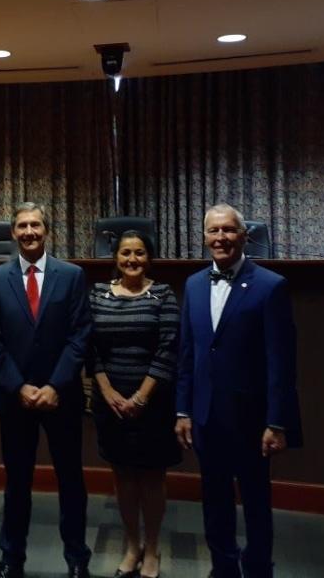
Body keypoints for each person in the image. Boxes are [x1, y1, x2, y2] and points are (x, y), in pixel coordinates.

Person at [174, 204, 301, 578]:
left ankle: (259, 567)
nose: (221, 238)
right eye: (214, 231)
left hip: (252, 419)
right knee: (214, 501)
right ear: (204, 237)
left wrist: (277, 422)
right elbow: (187, 353)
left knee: (257, 501)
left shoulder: (270, 285)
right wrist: (183, 410)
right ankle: (223, 567)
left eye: (229, 230)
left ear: (244, 236)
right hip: (206, 416)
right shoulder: (194, 285)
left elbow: (281, 361)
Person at [0, 202, 93, 578]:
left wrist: (54, 385)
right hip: (16, 401)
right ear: (13, 233)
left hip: (61, 398)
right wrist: (20, 387)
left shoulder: (72, 275)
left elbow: (80, 336)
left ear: (47, 230)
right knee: (16, 484)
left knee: (71, 482)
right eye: (22, 226)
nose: (29, 232)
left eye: (36, 225)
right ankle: (12, 559)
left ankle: (77, 559)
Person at [88, 230, 180, 578]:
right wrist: (108, 392)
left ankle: (153, 547)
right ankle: (131, 545)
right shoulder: (97, 294)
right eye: (125, 253)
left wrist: (141, 396)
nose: (132, 259)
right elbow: (89, 348)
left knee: (152, 477)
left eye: (139, 253)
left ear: (149, 257)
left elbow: (168, 348)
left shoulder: (163, 294)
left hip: (153, 404)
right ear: (115, 257)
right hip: (109, 403)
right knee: (123, 475)